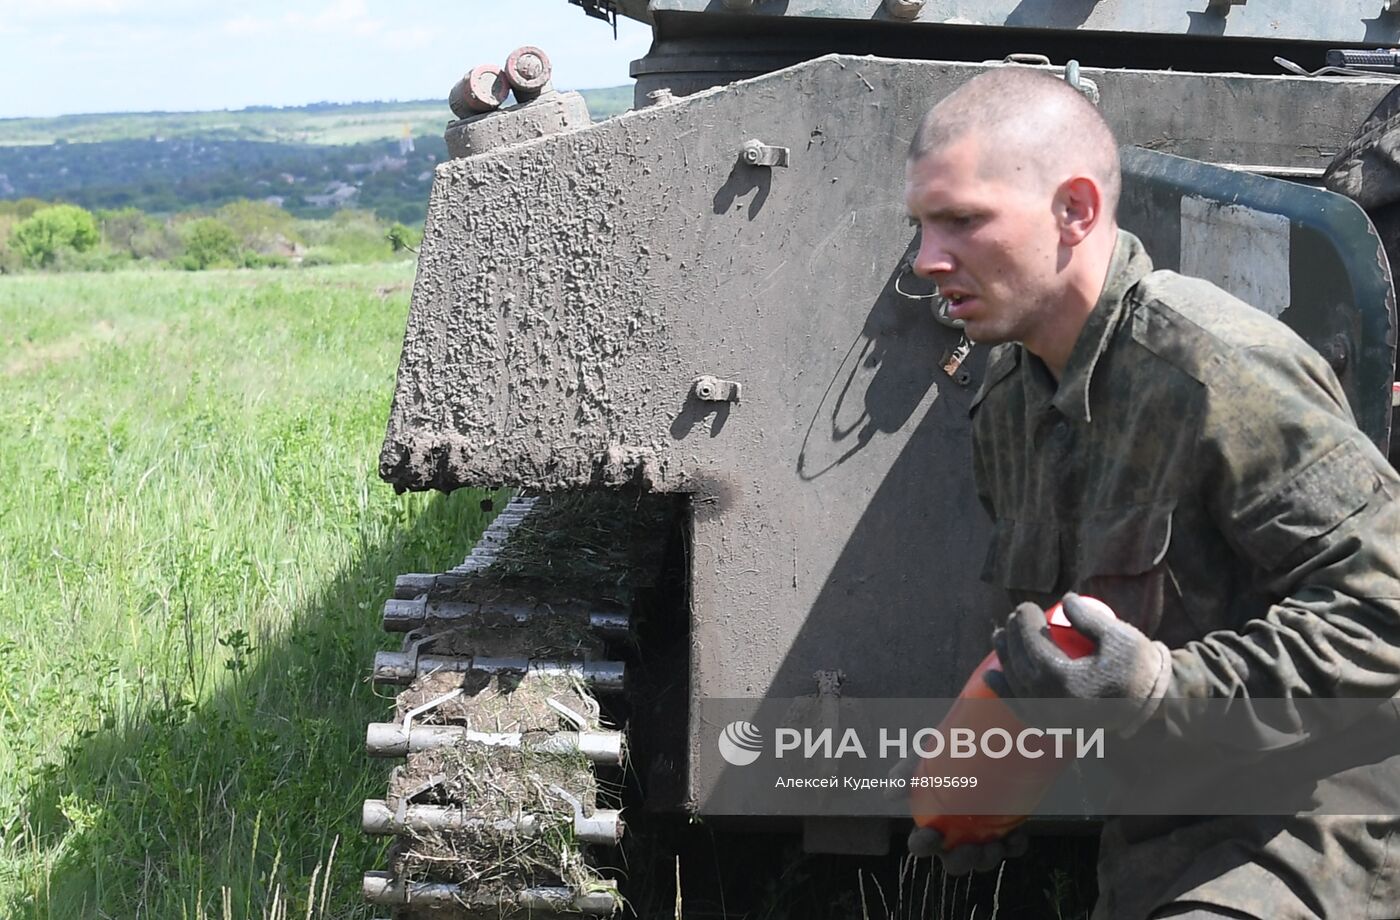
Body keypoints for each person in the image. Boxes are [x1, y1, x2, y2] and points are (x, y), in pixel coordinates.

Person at [901, 68, 1400, 920]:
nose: (926, 260)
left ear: (1077, 212)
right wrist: (985, 773)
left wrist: (1163, 692)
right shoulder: (1007, 406)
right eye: (920, 226)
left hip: (1317, 828)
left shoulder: (1216, 370)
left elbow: (1385, 608)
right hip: (1158, 844)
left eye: (963, 221)